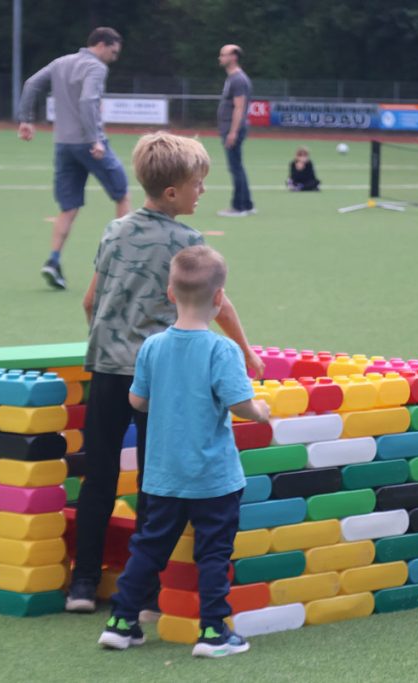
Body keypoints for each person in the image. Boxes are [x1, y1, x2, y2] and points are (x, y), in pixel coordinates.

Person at [68, 132, 266, 616]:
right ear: (174, 192)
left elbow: (90, 300)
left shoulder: (115, 230)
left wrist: (109, 342)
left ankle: (83, 583)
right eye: (198, 184)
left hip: (105, 369)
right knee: (154, 482)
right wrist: (245, 349)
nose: (202, 192)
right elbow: (216, 303)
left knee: (99, 476)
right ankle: (144, 593)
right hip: (156, 377)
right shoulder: (186, 242)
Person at [97, 245, 270, 658]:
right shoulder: (221, 350)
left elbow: (137, 402)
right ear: (219, 298)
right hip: (214, 478)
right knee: (213, 553)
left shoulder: (153, 347)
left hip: (163, 475)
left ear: (170, 294)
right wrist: (260, 411)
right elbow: (239, 403)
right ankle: (213, 632)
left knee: (149, 548)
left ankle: (121, 622)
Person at [17, 27, 130, 290]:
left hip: (63, 144)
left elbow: (31, 83)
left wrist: (25, 119)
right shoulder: (96, 68)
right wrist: (95, 139)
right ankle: (123, 260)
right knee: (122, 193)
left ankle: (53, 260)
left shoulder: (61, 62)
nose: (114, 57)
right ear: (102, 44)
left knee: (68, 207)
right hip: (89, 143)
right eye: (113, 51)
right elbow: (88, 100)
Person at [215, 44, 254, 217]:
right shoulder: (232, 78)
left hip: (232, 129)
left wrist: (233, 132)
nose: (220, 58)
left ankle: (238, 207)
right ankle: (247, 204)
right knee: (238, 167)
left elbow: (239, 107)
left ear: (233, 57)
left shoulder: (238, 79)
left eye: (223, 55)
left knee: (235, 168)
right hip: (230, 128)